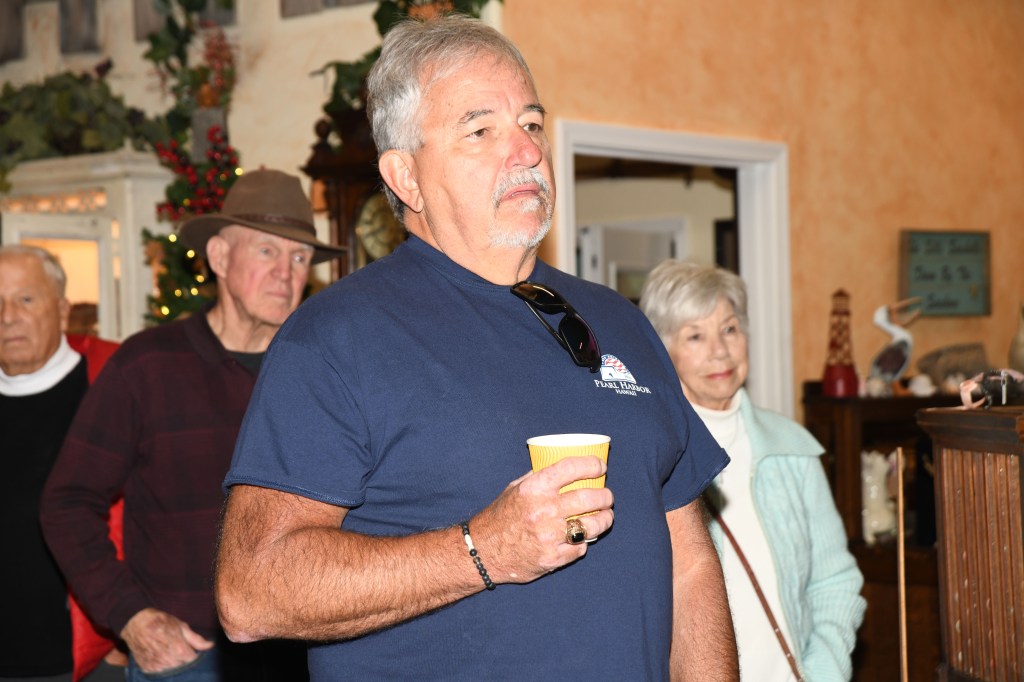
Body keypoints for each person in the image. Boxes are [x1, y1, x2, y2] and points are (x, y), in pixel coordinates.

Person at [214, 15, 738, 681]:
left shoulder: (620, 323)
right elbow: (251, 591)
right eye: (481, 130)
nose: (526, 152)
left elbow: (689, 561)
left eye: (532, 124)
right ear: (405, 177)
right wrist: (482, 550)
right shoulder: (335, 338)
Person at [40, 169, 344, 682]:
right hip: (188, 658)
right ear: (219, 257)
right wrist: (130, 617)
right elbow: (67, 502)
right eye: (266, 251)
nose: (285, 273)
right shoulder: (146, 366)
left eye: (299, 258)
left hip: (306, 656)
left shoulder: (325, 370)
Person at [639, 259, 866, 681]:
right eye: (695, 336)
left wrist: (823, 673)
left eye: (729, 329)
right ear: (662, 352)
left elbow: (834, 581)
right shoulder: (649, 462)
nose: (720, 351)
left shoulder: (791, 447)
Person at [0, 245, 121, 682]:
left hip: (88, 660)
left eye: (25, 299)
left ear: (63, 309)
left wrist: (125, 636)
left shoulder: (113, 385)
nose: (8, 316)